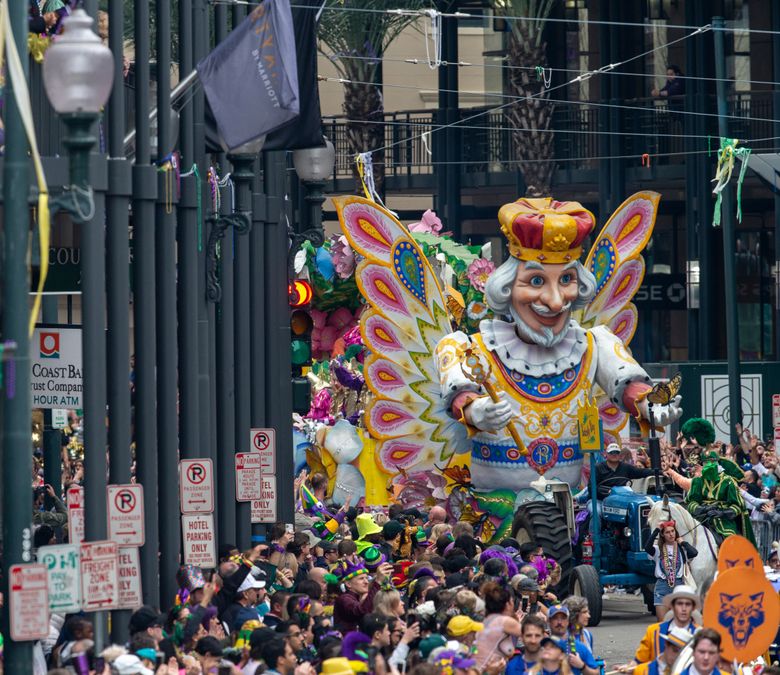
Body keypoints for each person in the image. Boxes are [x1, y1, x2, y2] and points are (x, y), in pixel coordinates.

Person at [629, 585, 700, 666]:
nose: (684, 608)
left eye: (688, 604)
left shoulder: (700, 634)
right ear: (672, 606)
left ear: (693, 608)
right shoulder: (653, 631)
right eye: (679, 604)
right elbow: (639, 661)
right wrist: (628, 667)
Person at [643, 520, 698, 619]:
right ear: (663, 535)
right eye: (667, 532)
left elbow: (694, 553)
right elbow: (647, 547)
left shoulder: (681, 548)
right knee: (662, 622)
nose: (671, 534)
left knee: (679, 620)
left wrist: (683, 542)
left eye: (672, 531)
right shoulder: (657, 549)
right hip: (662, 586)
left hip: (678, 585)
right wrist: (657, 530)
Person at [472, 581, 523, 671]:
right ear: (507, 605)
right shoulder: (505, 621)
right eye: (512, 601)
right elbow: (531, 635)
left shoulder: (487, 620)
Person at [547, 605, 599, 675]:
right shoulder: (541, 648)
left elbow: (596, 673)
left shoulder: (580, 647)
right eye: (555, 618)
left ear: (568, 621)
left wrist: (582, 666)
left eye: (563, 618)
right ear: (549, 621)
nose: (559, 622)